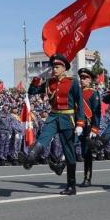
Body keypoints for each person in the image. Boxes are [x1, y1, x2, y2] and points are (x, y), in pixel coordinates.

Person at [19, 54, 85, 196]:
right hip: (54, 116)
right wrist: (36, 79)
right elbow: (32, 91)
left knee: (68, 151)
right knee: (43, 138)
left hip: (68, 117)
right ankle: (30, 159)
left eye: (57, 67)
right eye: (53, 67)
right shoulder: (49, 83)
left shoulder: (72, 82)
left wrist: (80, 123)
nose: (54, 69)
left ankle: (71, 186)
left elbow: (80, 103)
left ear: (64, 68)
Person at [76, 68, 101, 187]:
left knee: (87, 153)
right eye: (81, 77)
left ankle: (87, 178)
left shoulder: (93, 93)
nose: (82, 80)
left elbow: (97, 112)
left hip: (88, 126)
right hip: (76, 125)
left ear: (90, 80)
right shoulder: (77, 92)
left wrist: (95, 128)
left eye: (85, 78)